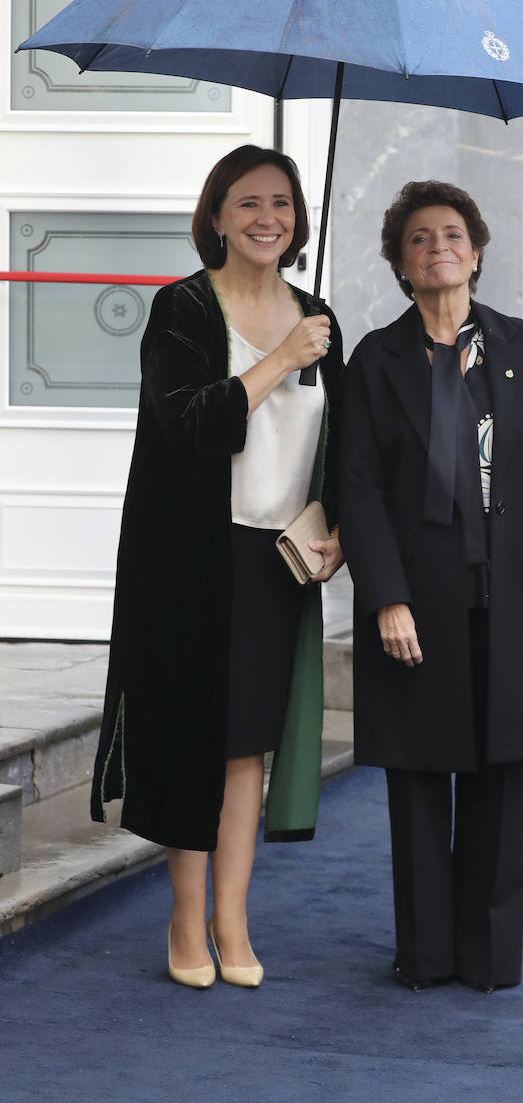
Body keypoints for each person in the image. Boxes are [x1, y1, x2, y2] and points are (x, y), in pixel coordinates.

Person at [338, 179, 523, 993]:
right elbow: (355, 488)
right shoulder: (375, 361)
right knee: (420, 777)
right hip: (416, 600)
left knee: (501, 774)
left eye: (453, 233)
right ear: (399, 261)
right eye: (419, 238)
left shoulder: (522, 347)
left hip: (513, 594)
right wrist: (385, 596)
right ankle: (425, 956)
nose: (439, 248)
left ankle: (490, 958)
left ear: (479, 250)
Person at [90, 144, 344, 989]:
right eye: (247, 204)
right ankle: (183, 919)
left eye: (281, 203)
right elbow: (190, 422)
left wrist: (337, 527)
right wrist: (278, 360)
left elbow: (338, 450)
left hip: (278, 561)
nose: (267, 218)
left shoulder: (319, 318)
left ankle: (233, 919)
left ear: (298, 219)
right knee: (196, 738)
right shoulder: (183, 310)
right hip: (194, 560)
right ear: (216, 218)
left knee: (247, 752)